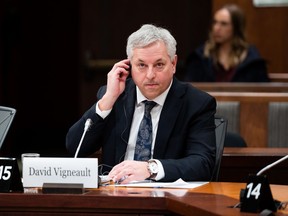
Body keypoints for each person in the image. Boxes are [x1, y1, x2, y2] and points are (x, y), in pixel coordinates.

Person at [66, 24, 217, 184]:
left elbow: (203, 164)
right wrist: (107, 101)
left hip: (166, 200)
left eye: (159, 65)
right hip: (114, 196)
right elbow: (75, 147)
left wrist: (151, 169)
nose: (150, 75)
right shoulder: (114, 95)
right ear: (129, 66)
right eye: (142, 65)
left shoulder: (196, 103)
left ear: (173, 64)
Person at [184, 4, 270, 82]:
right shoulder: (201, 56)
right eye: (215, 23)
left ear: (236, 28)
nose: (216, 28)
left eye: (224, 24)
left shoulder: (251, 59)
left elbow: (262, 90)